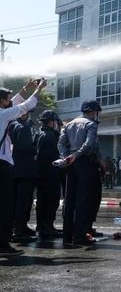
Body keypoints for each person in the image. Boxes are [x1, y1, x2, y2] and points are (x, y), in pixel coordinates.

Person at [0, 79, 45, 256]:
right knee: (5, 207)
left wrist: (26, 89)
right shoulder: (3, 115)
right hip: (1, 166)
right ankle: (2, 245)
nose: (10, 100)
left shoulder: (3, 113)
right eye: (7, 98)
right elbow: (24, 106)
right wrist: (39, 89)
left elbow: (15, 104)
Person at [58, 99, 102, 245]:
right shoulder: (91, 124)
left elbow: (61, 143)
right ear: (93, 112)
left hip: (70, 164)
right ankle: (80, 235)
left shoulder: (69, 124)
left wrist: (66, 157)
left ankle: (67, 235)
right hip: (84, 163)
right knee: (83, 200)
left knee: (69, 199)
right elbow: (89, 145)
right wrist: (76, 155)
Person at [9, 110, 39, 243]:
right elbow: (26, 147)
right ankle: (20, 229)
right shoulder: (23, 127)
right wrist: (35, 147)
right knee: (24, 200)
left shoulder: (11, 124)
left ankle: (19, 227)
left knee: (17, 200)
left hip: (14, 169)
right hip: (25, 169)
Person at [35, 110, 64, 239]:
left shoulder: (39, 133)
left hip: (41, 174)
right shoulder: (51, 136)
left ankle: (42, 226)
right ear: (51, 122)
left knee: (42, 202)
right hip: (51, 174)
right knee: (51, 201)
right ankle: (47, 227)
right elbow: (53, 156)